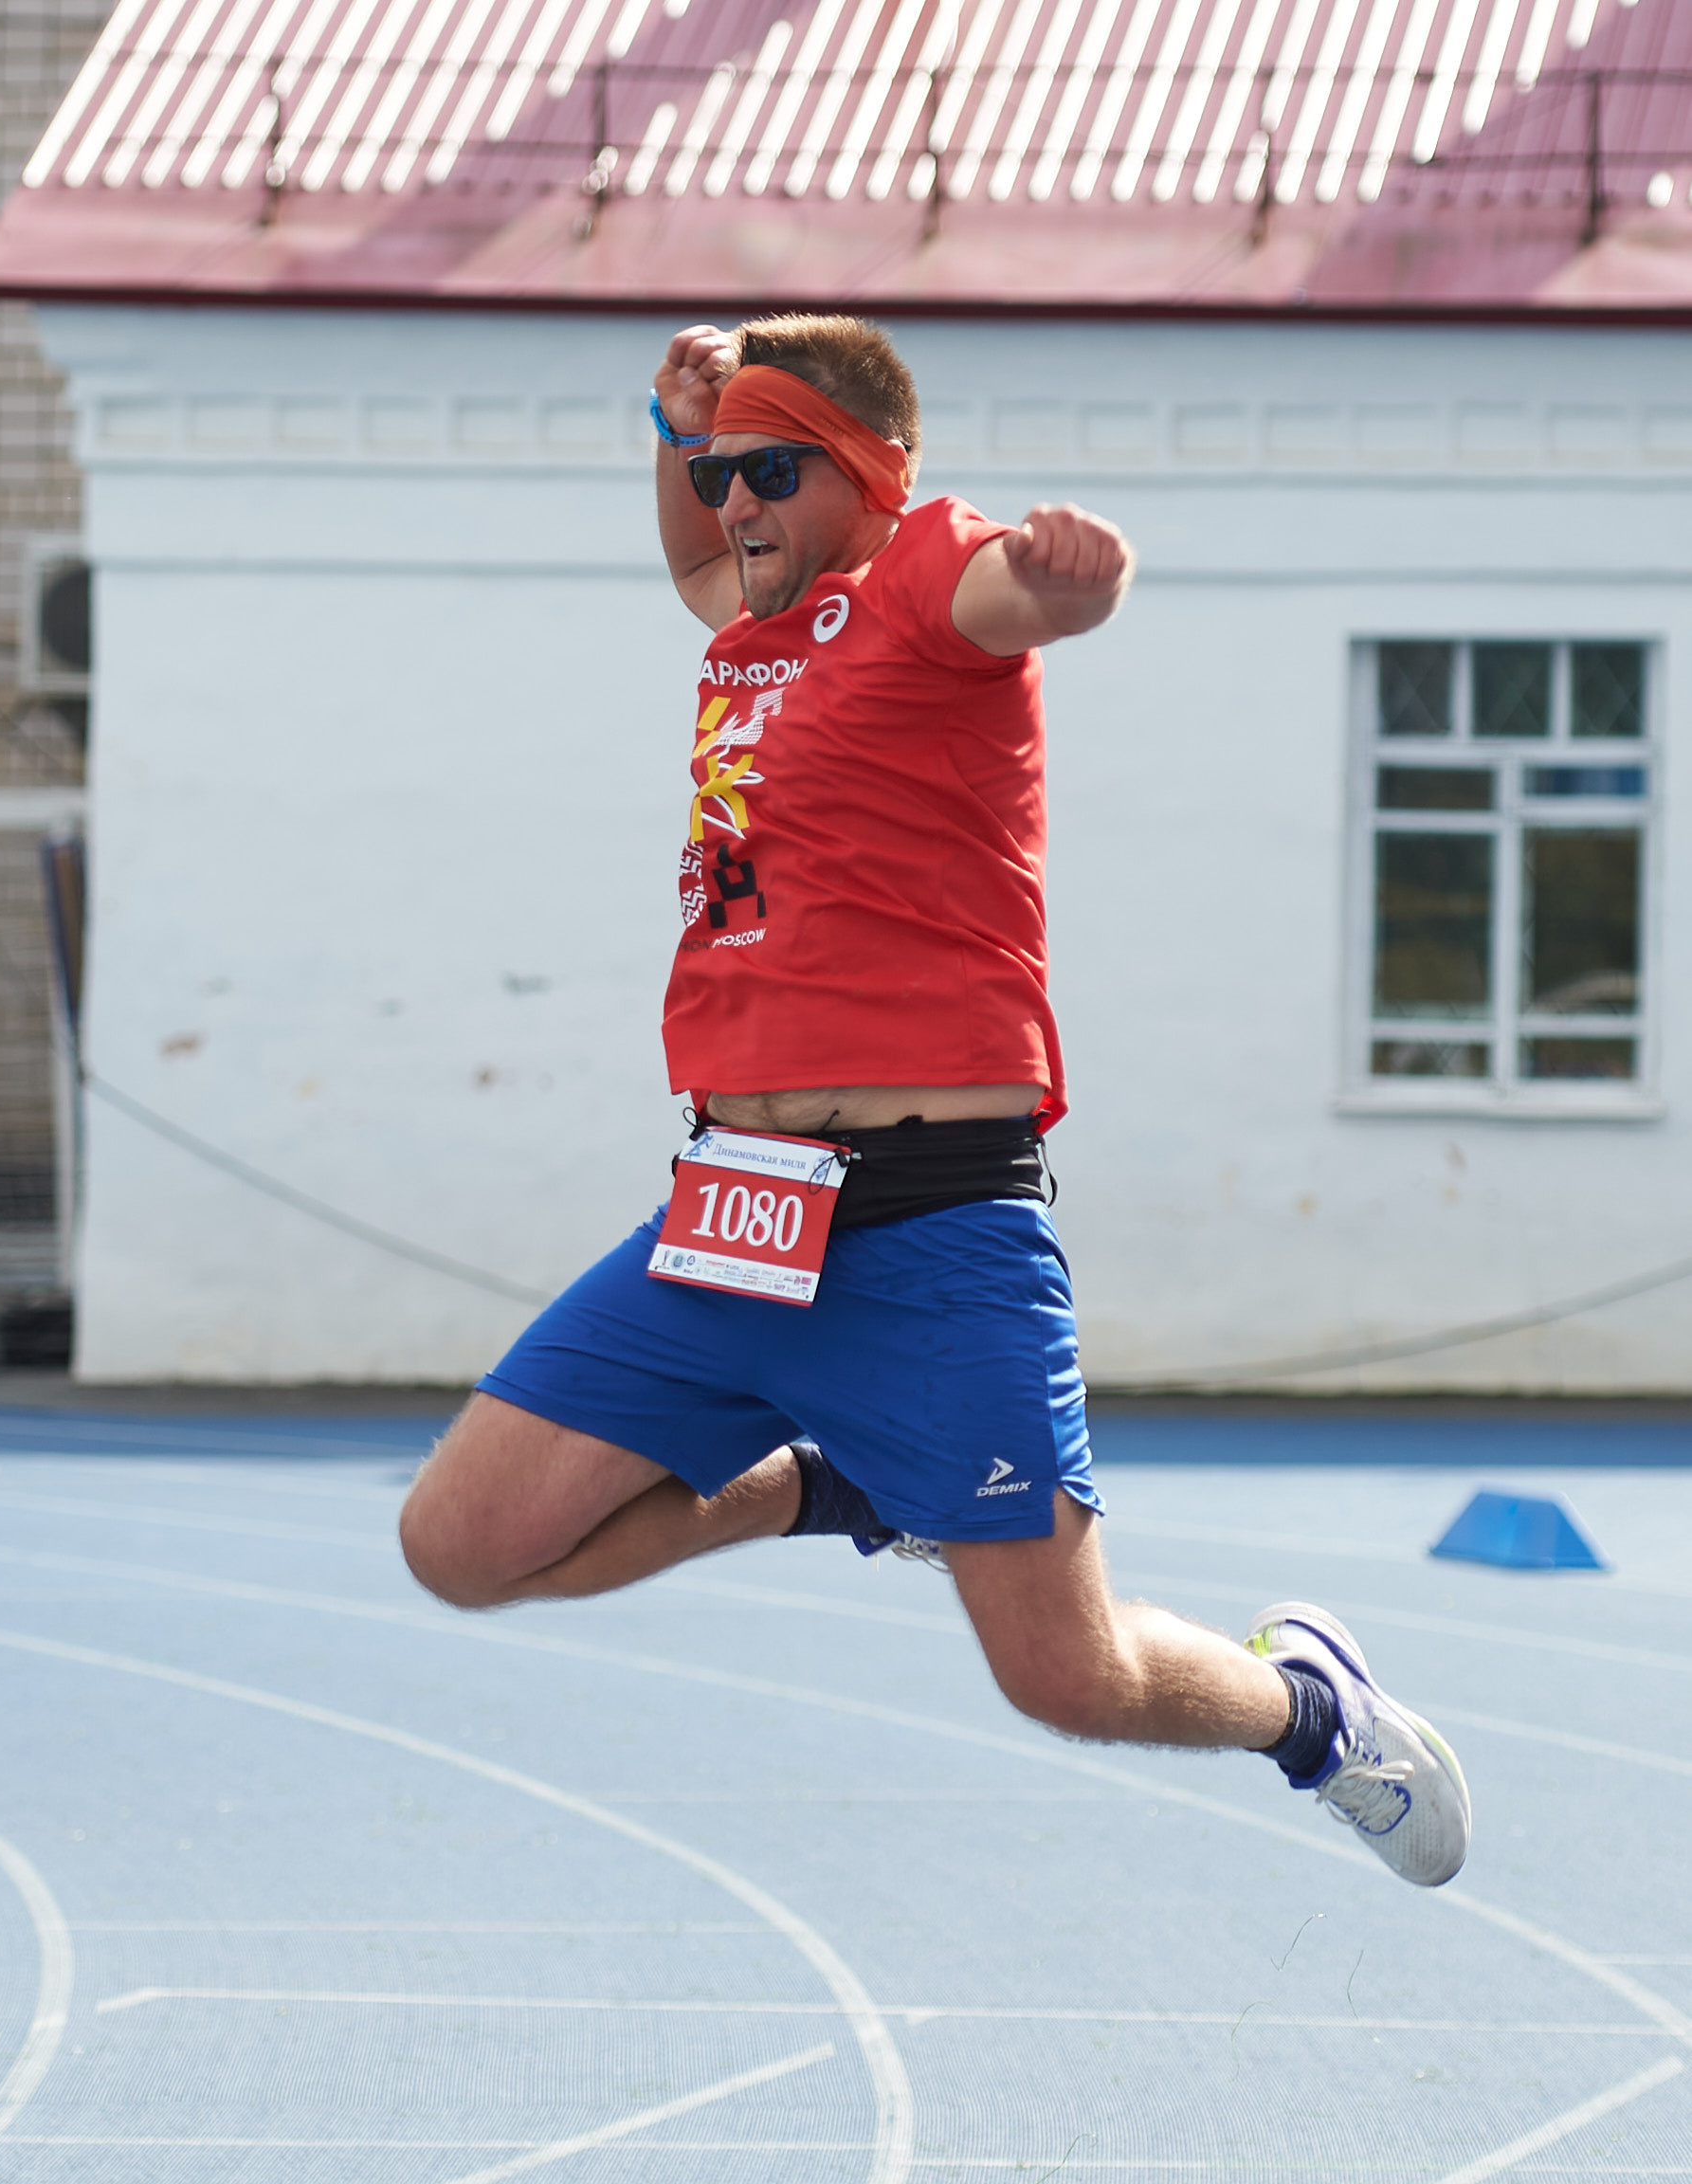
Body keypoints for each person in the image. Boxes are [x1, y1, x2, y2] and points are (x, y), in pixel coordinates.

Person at [399, 315, 1468, 1889]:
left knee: (1066, 1675)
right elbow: (698, 556)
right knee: (465, 1546)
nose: (732, 503)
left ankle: (1311, 1714)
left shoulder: (924, 578)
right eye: (718, 475)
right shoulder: (746, 625)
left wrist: (1073, 575)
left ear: (869, 475)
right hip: (733, 1216)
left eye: (770, 471)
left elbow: (1020, 596)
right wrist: (669, 420)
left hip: (931, 1227)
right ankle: (831, 1485)